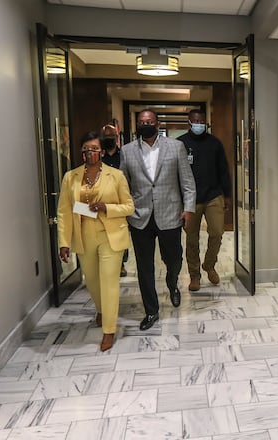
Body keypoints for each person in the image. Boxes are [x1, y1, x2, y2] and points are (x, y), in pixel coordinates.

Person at [57, 131, 134, 351]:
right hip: (83, 236)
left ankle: (109, 330)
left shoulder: (116, 175)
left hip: (110, 235)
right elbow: (63, 211)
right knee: (92, 281)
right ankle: (101, 310)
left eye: (94, 148)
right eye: (86, 149)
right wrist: (63, 242)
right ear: (81, 152)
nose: (90, 152)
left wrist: (105, 208)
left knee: (109, 282)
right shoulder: (70, 177)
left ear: (101, 151)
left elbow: (129, 206)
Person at [119, 109, 196, 330]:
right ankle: (151, 311)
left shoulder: (175, 147)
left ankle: (172, 283)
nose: (145, 124)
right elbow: (123, 185)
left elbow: (188, 182)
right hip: (139, 216)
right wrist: (125, 210)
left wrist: (188, 208)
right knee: (145, 267)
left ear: (157, 123)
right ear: (137, 124)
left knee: (174, 259)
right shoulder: (127, 151)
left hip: (170, 213)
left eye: (149, 121)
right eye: (141, 122)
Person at [177, 109, 232, 291]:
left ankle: (209, 265)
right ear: (189, 123)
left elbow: (224, 169)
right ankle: (194, 275)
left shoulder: (214, 143)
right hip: (190, 199)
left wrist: (228, 195)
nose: (199, 123)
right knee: (191, 239)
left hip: (213, 195)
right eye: (196, 121)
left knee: (217, 232)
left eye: (202, 121)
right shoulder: (181, 144)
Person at [100, 123, 128, 277]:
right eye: (106, 137)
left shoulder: (124, 155)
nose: (109, 139)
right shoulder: (98, 155)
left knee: (120, 233)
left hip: (119, 201)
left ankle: (121, 263)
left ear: (117, 138)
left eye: (112, 137)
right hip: (101, 200)